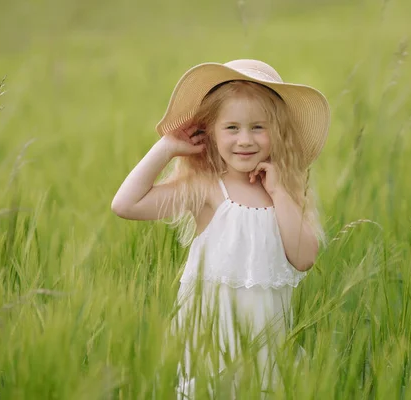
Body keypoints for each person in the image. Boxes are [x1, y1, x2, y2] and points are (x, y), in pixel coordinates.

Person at [111, 59, 330, 398]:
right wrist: (166, 148)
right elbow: (125, 205)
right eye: (231, 128)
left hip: (265, 348)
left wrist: (280, 193)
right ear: (210, 132)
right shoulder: (208, 189)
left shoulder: (285, 193)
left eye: (259, 127)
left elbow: (303, 258)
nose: (245, 140)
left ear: (279, 132)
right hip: (210, 345)